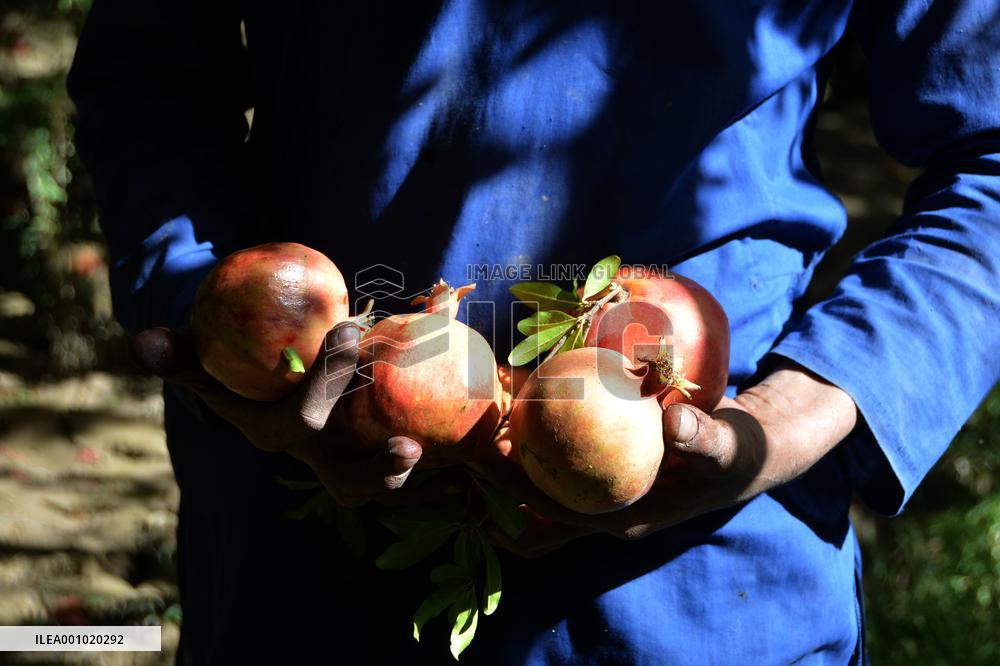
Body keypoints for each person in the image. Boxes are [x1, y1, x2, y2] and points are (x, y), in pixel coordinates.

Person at [68, 1, 1000, 663]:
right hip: (302, 551)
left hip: (708, 579)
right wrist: (220, 326)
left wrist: (786, 422)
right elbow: (147, 71)